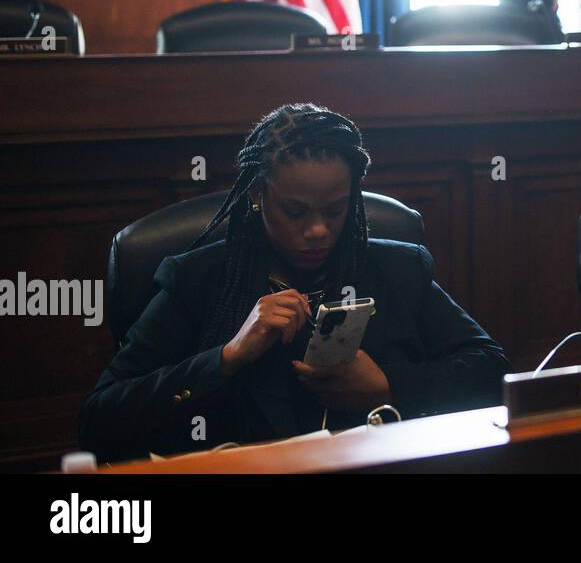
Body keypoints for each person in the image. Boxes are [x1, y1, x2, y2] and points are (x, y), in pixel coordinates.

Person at [79, 104, 509, 462]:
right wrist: (226, 358)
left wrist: (389, 386)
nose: (319, 230)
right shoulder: (196, 280)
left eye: (336, 210)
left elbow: (492, 370)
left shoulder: (396, 268)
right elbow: (98, 421)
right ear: (256, 196)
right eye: (296, 212)